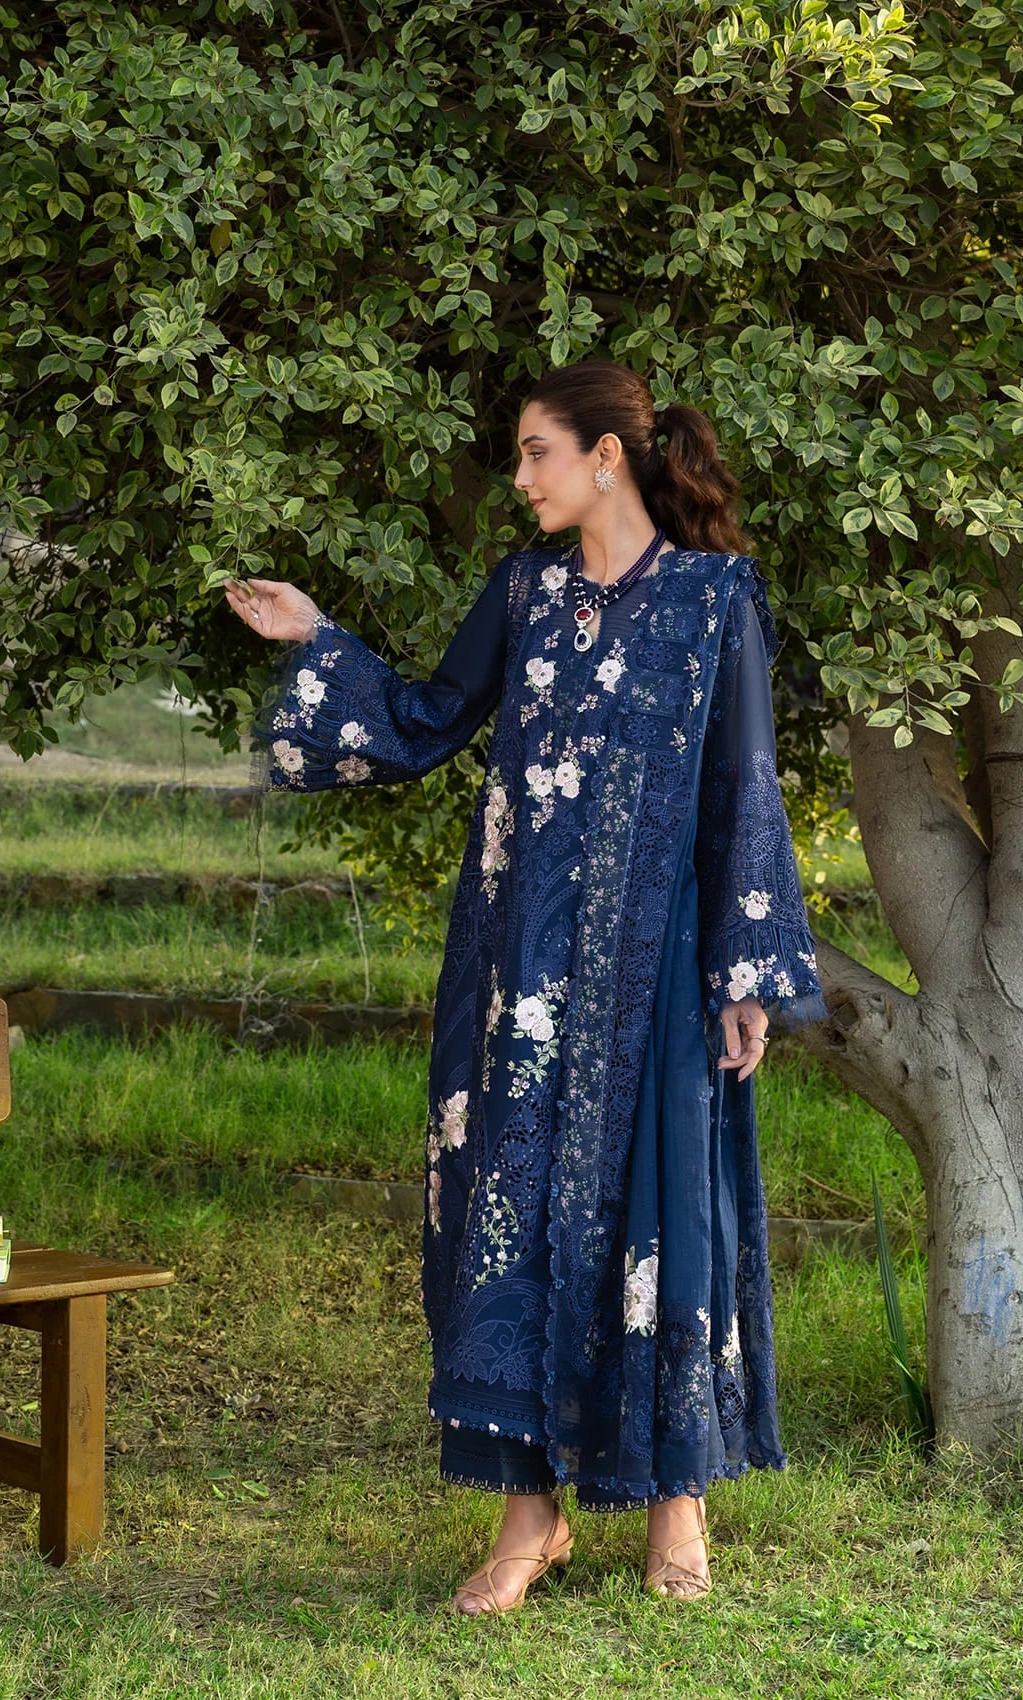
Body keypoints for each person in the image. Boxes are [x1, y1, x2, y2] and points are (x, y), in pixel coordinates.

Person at [226, 359, 825, 1614]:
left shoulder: (715, 600)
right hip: (524, 971)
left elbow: (744, 787)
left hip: (660, 970)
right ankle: (529, 1515)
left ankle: (677, 1505)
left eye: (535, 451)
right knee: (511, 1209)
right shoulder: (526, 594)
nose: (518, 477)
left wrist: (747, 972)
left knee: (668, 1211)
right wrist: (315, 635)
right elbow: (428, 716)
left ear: (607, 456)